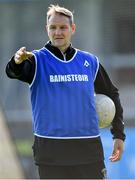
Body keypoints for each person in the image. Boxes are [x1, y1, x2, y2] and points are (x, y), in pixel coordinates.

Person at [6, 4, 126, 179]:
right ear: (47, 29)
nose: (58, 32)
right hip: (51, 155)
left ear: (73, 29)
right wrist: (16, 62)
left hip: (88, 153)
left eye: (63, 27)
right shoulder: (36, 60)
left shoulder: (89, 62)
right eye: (53, 28)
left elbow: (111, 94)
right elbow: (12, 72)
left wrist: (118, 135)